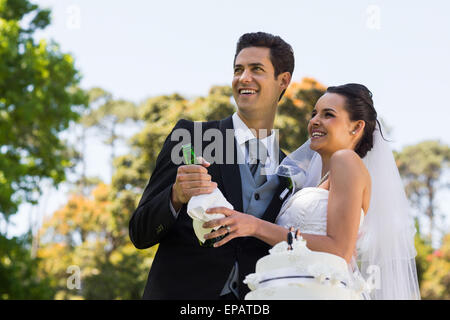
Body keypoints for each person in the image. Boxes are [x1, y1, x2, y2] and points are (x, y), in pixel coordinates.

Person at [204, 83, 421, 299]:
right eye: (314, 113)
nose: (315, 120)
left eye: (328, 115)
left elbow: (339, 251)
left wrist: (255, 226)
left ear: (356, 127)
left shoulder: (345, 160)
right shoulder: (312, 181)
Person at [129, 32, 295, 299]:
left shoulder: (290, 170)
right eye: (238, 69)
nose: (244, 78)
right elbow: (140, 232)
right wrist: (176, 195)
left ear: (283, 80)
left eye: (257, 69)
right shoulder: (192, 138)